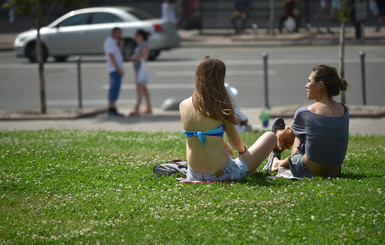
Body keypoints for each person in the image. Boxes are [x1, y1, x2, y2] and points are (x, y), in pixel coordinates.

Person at [179, 56, 277, 182]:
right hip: (221, 174)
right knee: (270, 136)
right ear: (220, 79)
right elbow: (236, 143)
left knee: (226, 152)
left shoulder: (183, 105)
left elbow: (203, 132)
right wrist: (243, 152)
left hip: (193, 174)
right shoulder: (220, 104)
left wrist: (224, 148)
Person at [263, 65, 349, 178]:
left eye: (309, 81)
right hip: (334, 171)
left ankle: (276, 163)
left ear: (320, 85)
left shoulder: (306, 112)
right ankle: (277, 159)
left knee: (299, 134)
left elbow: (286, 135)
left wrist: (278, 135)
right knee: (308, 131)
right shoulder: (344, 109)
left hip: (305, 171)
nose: (306, 85)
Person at [129, 29, 152, 116]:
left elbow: (145, 57)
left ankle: (136, 109)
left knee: (139, 89)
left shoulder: (143, 44)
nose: (135, 37)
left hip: (141, 69)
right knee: (144, 89)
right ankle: (148, 107)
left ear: (140, 35)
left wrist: (135, 58)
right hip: (139, 69)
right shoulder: (141, 44)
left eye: (136, 35)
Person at [104, 27, 124, 116]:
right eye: (119, 33)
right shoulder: (109, 41)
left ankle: (113, 107)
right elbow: (111, 55)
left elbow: (120, 52)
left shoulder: (115, 42)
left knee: (116, 89)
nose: (120, 35)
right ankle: (111, 108)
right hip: (114, 69)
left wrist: (121, 43)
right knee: (114, 88)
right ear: (114, 33)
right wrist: (117, 68)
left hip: (116, 68)